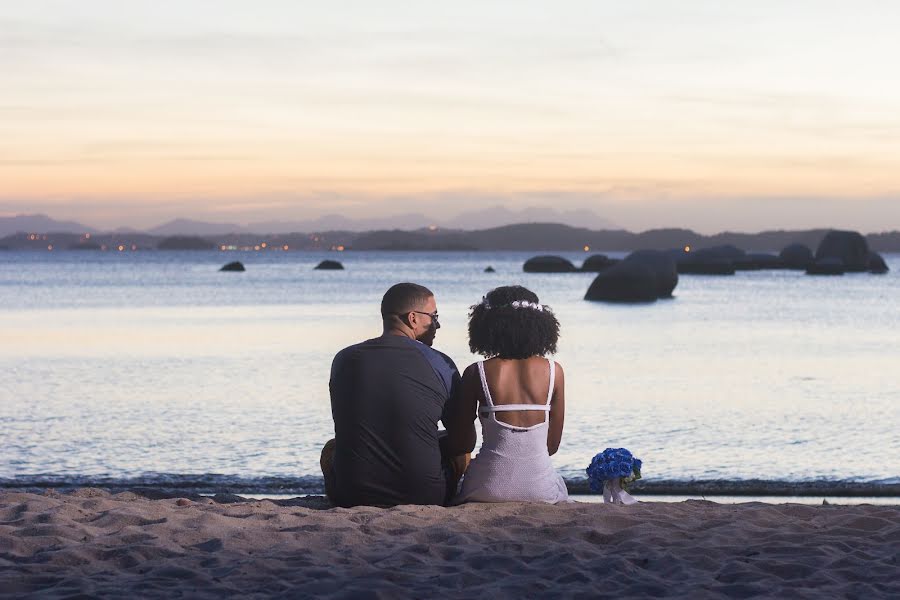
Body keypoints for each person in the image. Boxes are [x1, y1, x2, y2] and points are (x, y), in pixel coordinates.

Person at [321, 282, 469, 507]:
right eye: (434, 316)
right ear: (413, 318)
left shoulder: (343, 359)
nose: (437, 325)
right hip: (425, 497)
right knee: (460, 453)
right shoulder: (440, 363)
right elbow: (463, 441)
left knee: (332, 448)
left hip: (350, 497)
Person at [445, 285, 568, 504]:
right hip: (540, 488)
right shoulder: (554, 371)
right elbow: (552, 447)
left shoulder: (477, 372)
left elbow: (462, 443)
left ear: (488, 326)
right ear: (539, 325)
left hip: (486, 486)